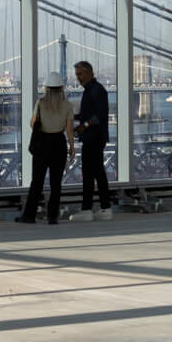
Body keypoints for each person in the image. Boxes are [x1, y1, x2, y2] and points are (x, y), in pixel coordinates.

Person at [19, 82, 73, 224]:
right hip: (59, 143)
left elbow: (32, 124)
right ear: (61, 88)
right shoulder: (67, 105)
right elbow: (69, 129)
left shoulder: (40, 103)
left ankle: (29, 216)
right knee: (56, 183)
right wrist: (72, 147)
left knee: (37, 182)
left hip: (42, 143)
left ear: (47, 88)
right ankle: (52, 217)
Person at [73, 60, 110, 215]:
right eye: (77, 75)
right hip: (93, 137)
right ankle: (104, 208)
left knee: (90, 173)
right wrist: (73, 118)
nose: (78, 78)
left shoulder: (96, 90)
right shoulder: (91, 90)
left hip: (94, 137)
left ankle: (88, 209)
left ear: (89, 73)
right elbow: (88, 115)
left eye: (80, 74)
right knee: (96, 172)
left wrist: (83, 126)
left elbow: (99, 116)